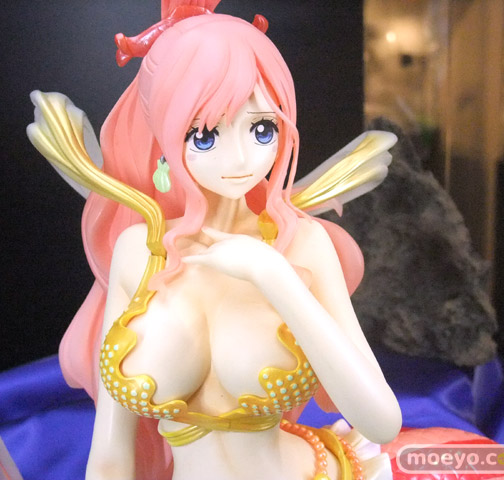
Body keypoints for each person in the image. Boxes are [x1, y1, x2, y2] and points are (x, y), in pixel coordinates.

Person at [32, 1, 401, 478]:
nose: (242, 159)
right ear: (164, 136)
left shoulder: (301, 244)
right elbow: (110, 452)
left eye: (262, 129)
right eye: (204, 136)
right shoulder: (138, 251)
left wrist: (274, 277)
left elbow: (381, 420)